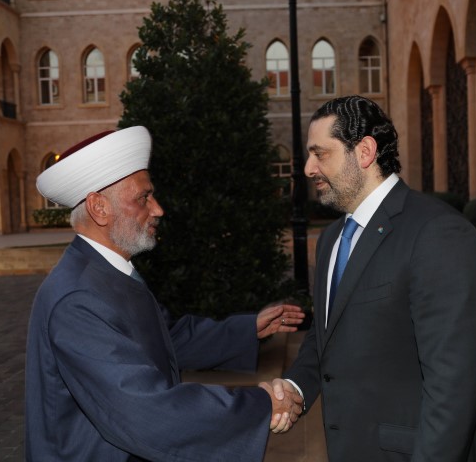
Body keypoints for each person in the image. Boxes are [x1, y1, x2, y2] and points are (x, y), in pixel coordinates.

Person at [25, 126, 304, 461]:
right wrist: (261, 405)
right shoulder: (77, 298)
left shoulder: (104, 272)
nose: (158, 209)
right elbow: (144, 410)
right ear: (99, 207)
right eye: (143, 198)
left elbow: (167, 339)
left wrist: (247, 329)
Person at [269, 95, 476, 461]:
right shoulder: (330, 239)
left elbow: (453, 387)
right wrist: (296, 387)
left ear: (364, 152)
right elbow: (326, 334)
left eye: (320, 154)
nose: (308, 168)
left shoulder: (438, 232)